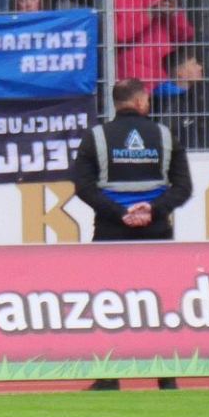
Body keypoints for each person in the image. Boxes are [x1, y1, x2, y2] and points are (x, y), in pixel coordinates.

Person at [72, 78, 194, 391]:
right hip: (156, 233)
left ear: (117, 103)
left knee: (109, 304)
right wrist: (152, 209)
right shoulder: (164, 136)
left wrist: (120, 213)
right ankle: (166, 378)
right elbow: (183, 187)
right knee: (159, 304)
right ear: (140, 101)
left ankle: (108, 377)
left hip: (110, 233)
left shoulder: (96, 138)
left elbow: (83, 186)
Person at [113, 0, 194, 88]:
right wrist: (148, 15)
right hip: (132, 78)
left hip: (163, 76)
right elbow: (117, 35)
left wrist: (174, 14)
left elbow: (185, 35)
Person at [147, 48, 209, 149]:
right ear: (180, 72)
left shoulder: (187, 96)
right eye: (194, 64)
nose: (200, 67)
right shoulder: (167, 102)